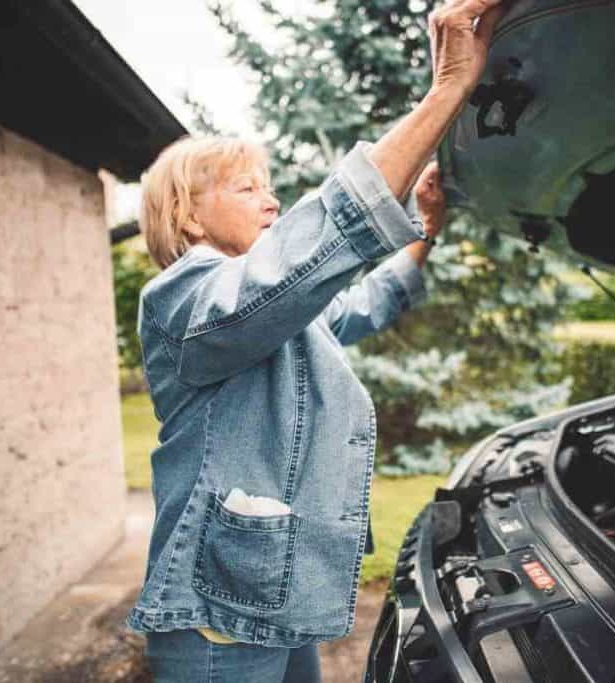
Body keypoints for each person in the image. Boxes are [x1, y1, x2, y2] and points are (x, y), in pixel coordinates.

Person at [125, 1, 505, 680]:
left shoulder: (271, 311)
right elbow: (308, 255)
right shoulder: (183, 296)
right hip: (215, 619)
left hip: (270, 590)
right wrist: (448, 90)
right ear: (188, 216)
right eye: (248, 188)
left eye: (269, 186)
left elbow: (358, 307)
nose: (271, 200)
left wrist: (424, 229)